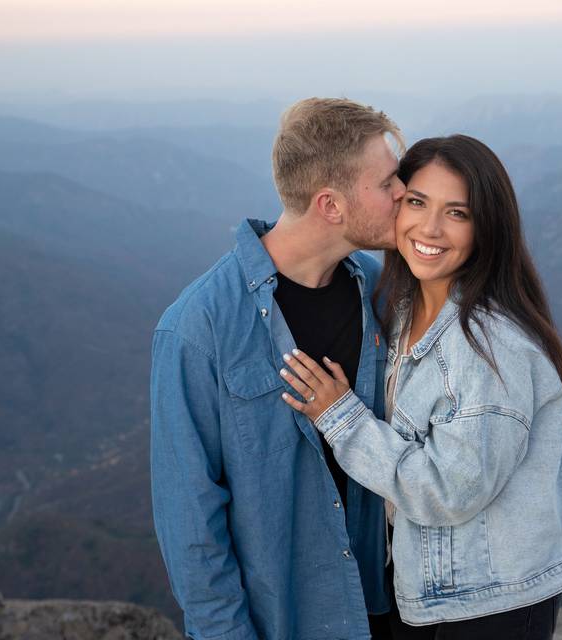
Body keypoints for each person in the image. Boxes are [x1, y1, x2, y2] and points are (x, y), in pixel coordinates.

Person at [279, 134, 562, 638]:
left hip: (487, 604)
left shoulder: (490, 347)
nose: (429, 228)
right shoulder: (403, 308)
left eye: (457, 213)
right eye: (417, 202)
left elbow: (449, 491)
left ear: (486, 229)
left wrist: (341, 417)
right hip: (431, 588)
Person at [150, 97, 407, 640]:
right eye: (387, 184)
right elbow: (191, 520)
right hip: (284, 622)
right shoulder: (198, 328)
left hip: (381, 610)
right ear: (331, 205)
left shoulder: (377, 290)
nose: (402, 194)